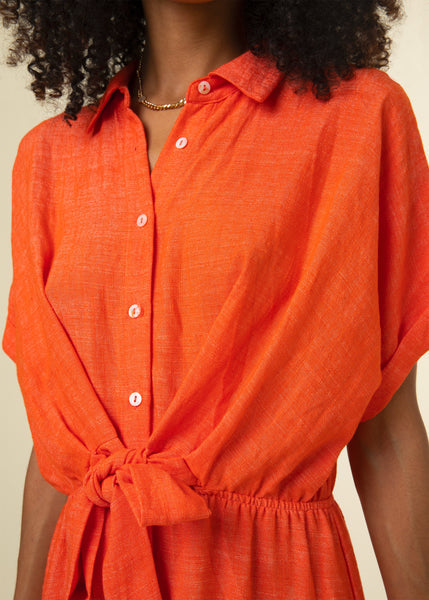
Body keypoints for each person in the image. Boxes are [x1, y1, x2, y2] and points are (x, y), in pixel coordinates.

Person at [1, 0, 429, 598]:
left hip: (271, 577)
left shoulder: (358, 119)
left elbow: (387, 432)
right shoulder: (47, 158)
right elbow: (61, 453)